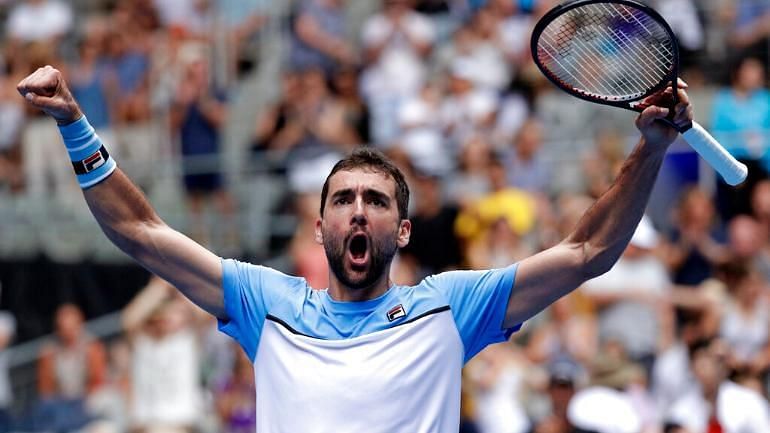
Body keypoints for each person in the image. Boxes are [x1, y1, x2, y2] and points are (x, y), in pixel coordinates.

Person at [17, 65, 693, 432]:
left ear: (401, 230)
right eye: (342, 200)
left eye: (376, 200)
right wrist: (77, 124)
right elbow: (140, 231)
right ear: (321, 230)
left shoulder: (451, 305)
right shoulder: (268, 303)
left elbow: (587, 251)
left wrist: (651, 147)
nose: (358, 210)